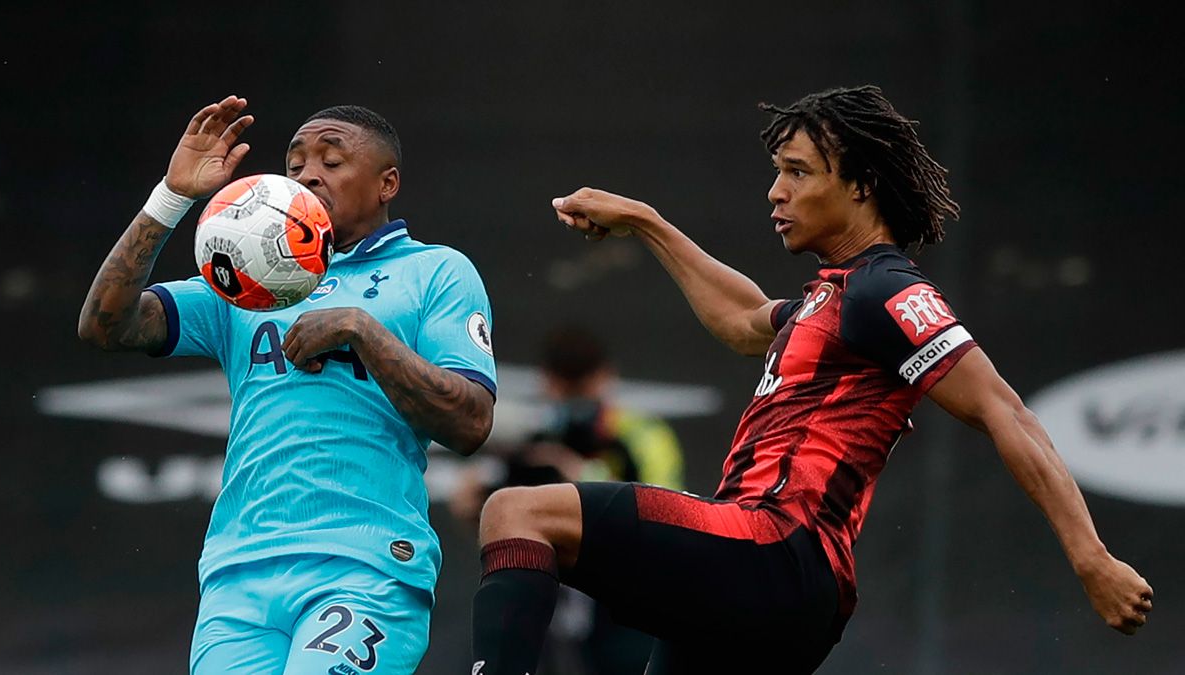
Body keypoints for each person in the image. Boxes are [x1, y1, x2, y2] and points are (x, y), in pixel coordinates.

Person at [468, 86, 1153, 675]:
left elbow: (1006, 411)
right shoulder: (831, 298)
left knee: (518, 511)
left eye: (797, 171)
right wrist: (648, 223)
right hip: (782, 591)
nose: (776, 190)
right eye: (778, 171)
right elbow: (740, 318)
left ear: (858, 184)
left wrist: (1090, 555)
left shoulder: (884, 289)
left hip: (775, 549)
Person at [77, 95, 497, 675]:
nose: (306, 174)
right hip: (237, 574)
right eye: (295, 161)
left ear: (386, 183)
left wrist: (361, 330)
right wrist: (171, 198)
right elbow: (104, 326)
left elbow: (472, 422)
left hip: (364, 565)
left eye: (331, 159)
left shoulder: (434, 272)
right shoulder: (247, 281)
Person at [452, 325, 684, 675]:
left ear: (606, 377)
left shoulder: (641, 435)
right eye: (564, 386)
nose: (573, 399)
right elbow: (472, 506)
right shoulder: (537, 442)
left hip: (624, 598)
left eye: (582, 385)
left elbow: (664, 508)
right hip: (558, 597)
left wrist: (580, 476)